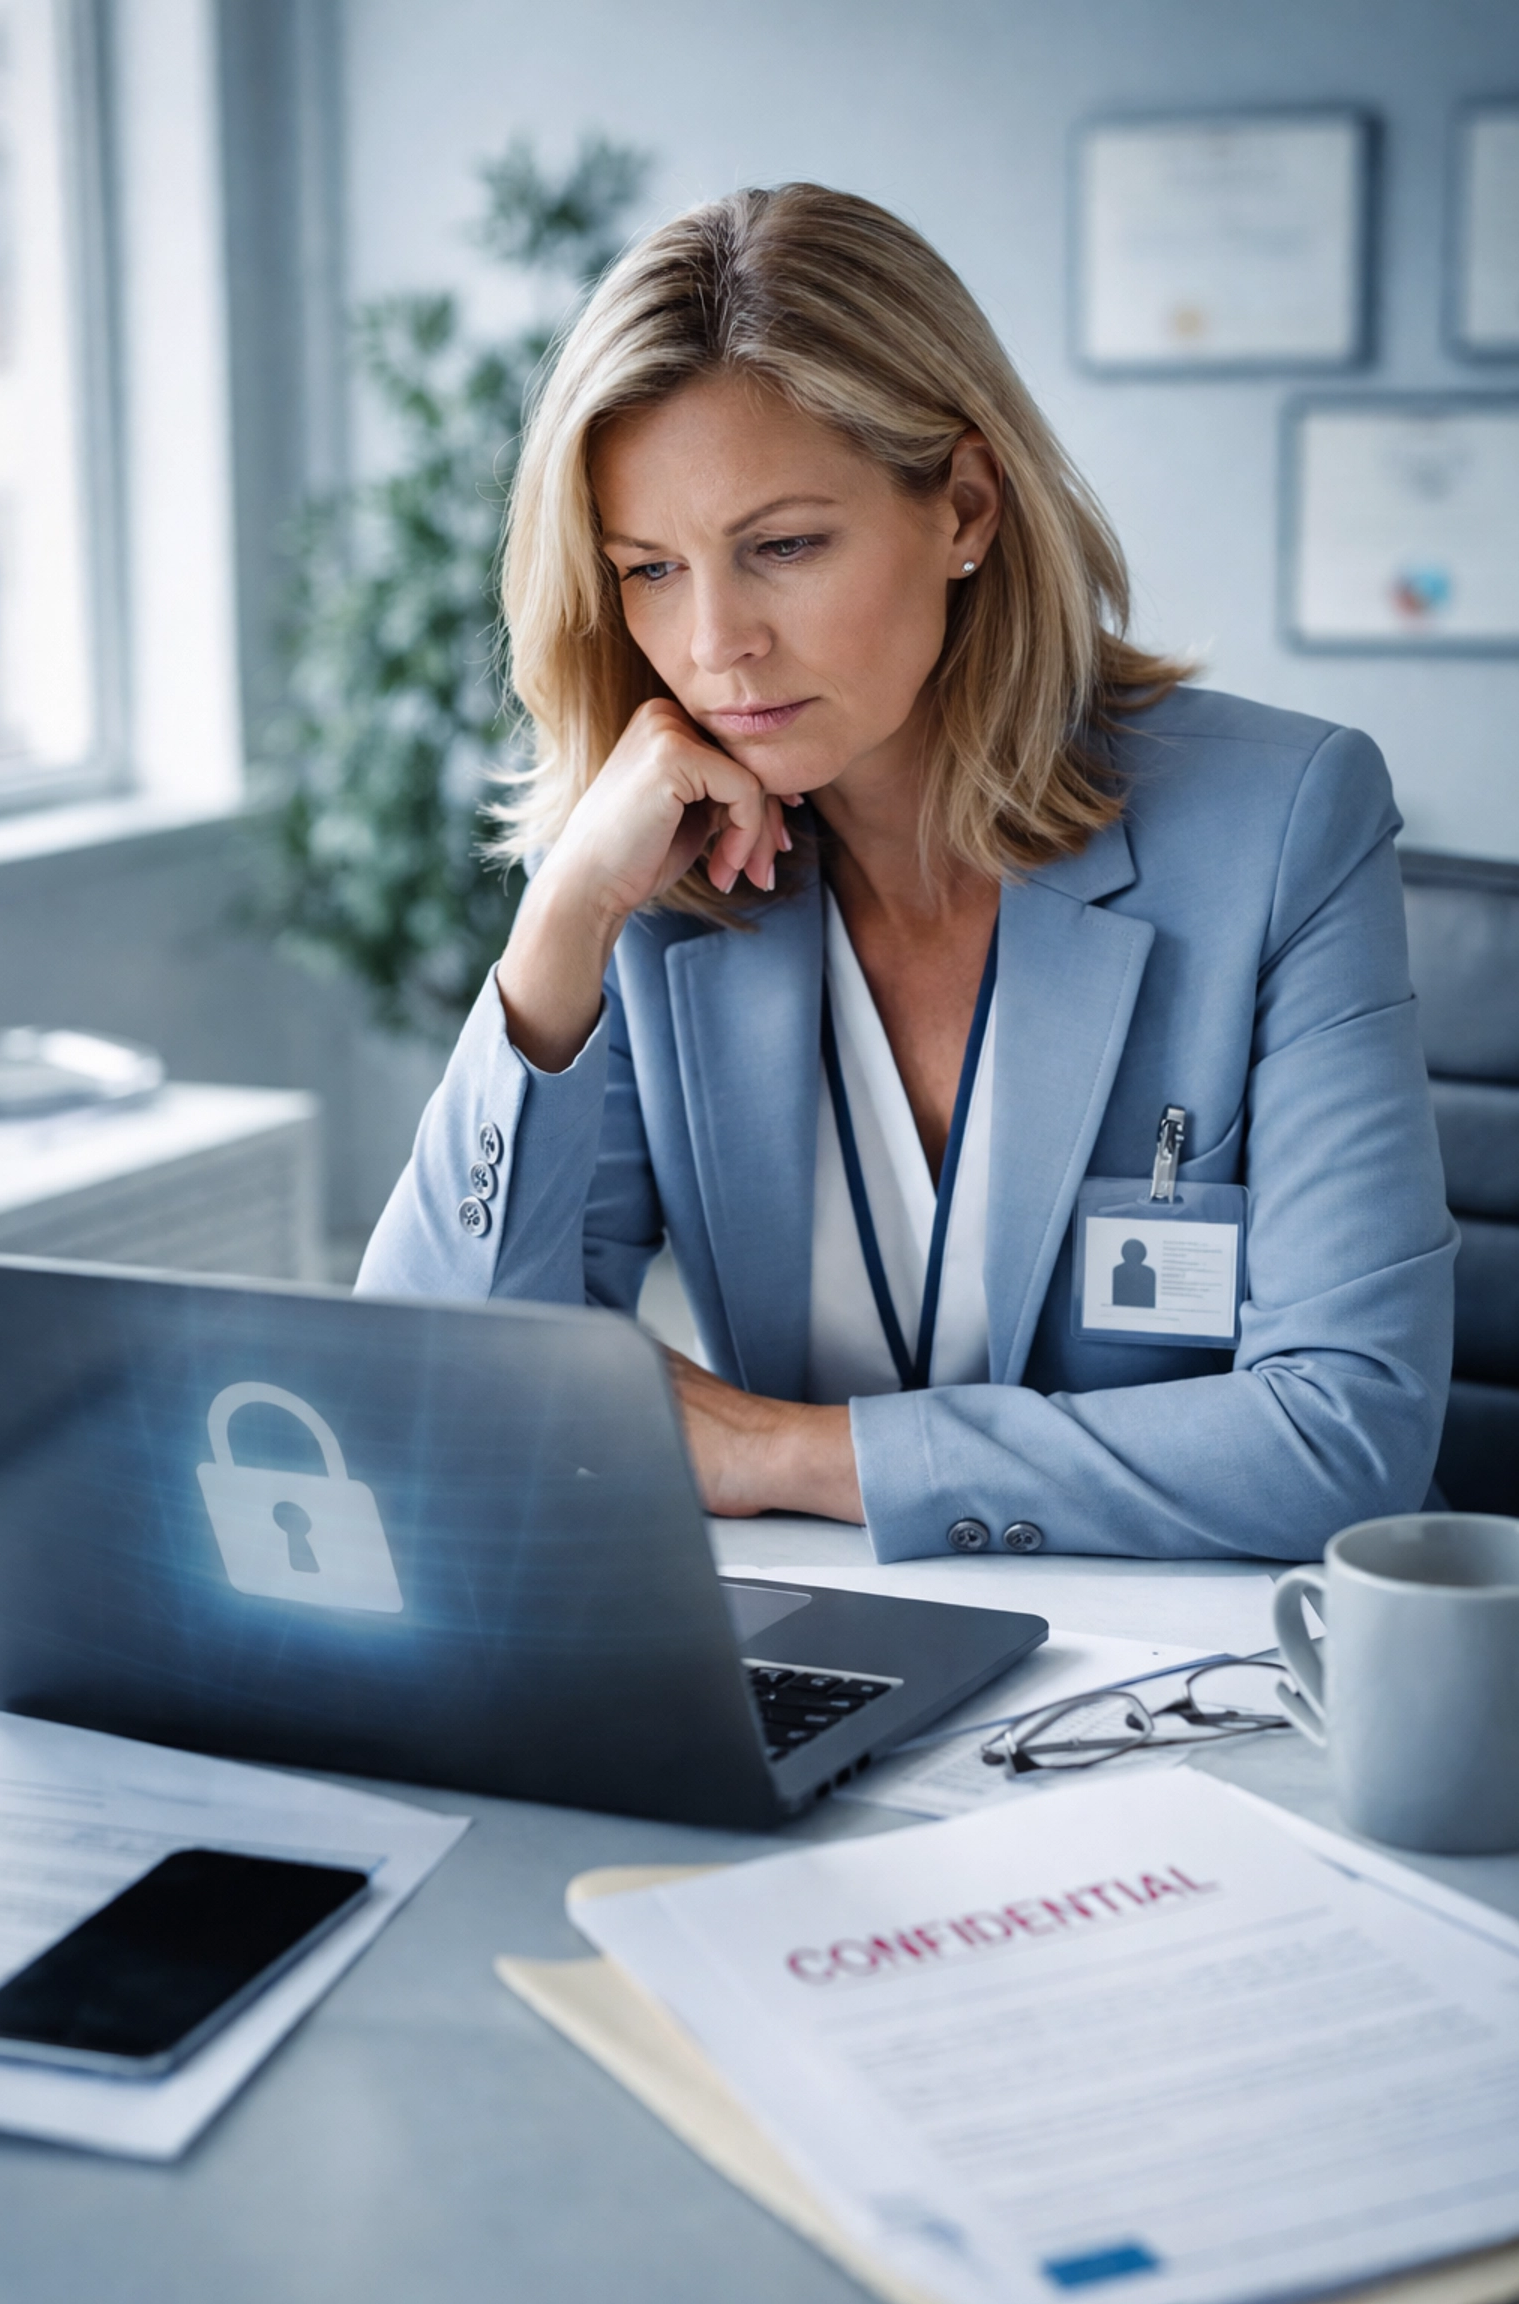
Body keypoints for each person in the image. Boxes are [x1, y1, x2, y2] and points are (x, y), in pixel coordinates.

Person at [357, 183, 1455, 1563]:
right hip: (813, 1665)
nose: (715, 646)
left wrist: (783, 1451)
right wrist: (561, 924)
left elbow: (1345, 1441)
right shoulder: (658, 878)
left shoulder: (1282, 822)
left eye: (785, 547)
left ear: (966, 507)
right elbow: (436, 1394)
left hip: (1173, 1693)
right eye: (647, 569)